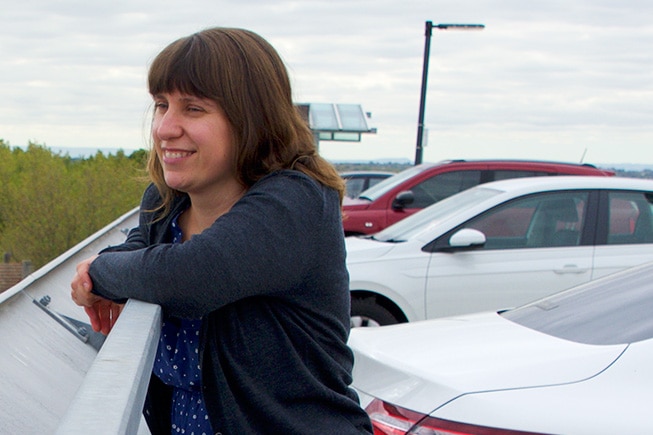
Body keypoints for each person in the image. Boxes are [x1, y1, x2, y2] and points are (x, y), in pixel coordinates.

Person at [70, 27, 373, 434]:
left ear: (252, 117)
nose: (164, 128)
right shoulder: (164, 204)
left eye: (193, 109)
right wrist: (109, 270)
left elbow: (190, 277)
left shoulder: (295, 202)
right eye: (162, 105)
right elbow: (135, 257)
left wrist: (99, 273)